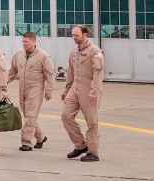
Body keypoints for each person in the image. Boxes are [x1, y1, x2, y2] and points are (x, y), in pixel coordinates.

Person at [61, 25, 104, 162]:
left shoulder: (95, 52)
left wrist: (94, 91)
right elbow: (70, 72)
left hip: (89, 90)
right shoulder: (74, 51)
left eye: (76, 35)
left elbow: (98, 73)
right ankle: (80, 145)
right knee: (66, 115)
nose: (74, 38)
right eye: (73, 35)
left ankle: (93, 152)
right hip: (75, 89)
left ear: (85, 34)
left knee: (91, 121)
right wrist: (66, 90)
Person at [7, 31, 55, 151]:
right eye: (23, 41)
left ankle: (26, 142)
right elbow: (12, 70)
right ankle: (41, 136)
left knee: (30, 115)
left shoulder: (43, 56)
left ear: (34, 41)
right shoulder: (18, 55)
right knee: (28, 115)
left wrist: (49, 90)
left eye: (26, 42)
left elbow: (50, 75)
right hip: (22, 88)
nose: (24, 44)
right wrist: (3, 83)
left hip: (36, 88)